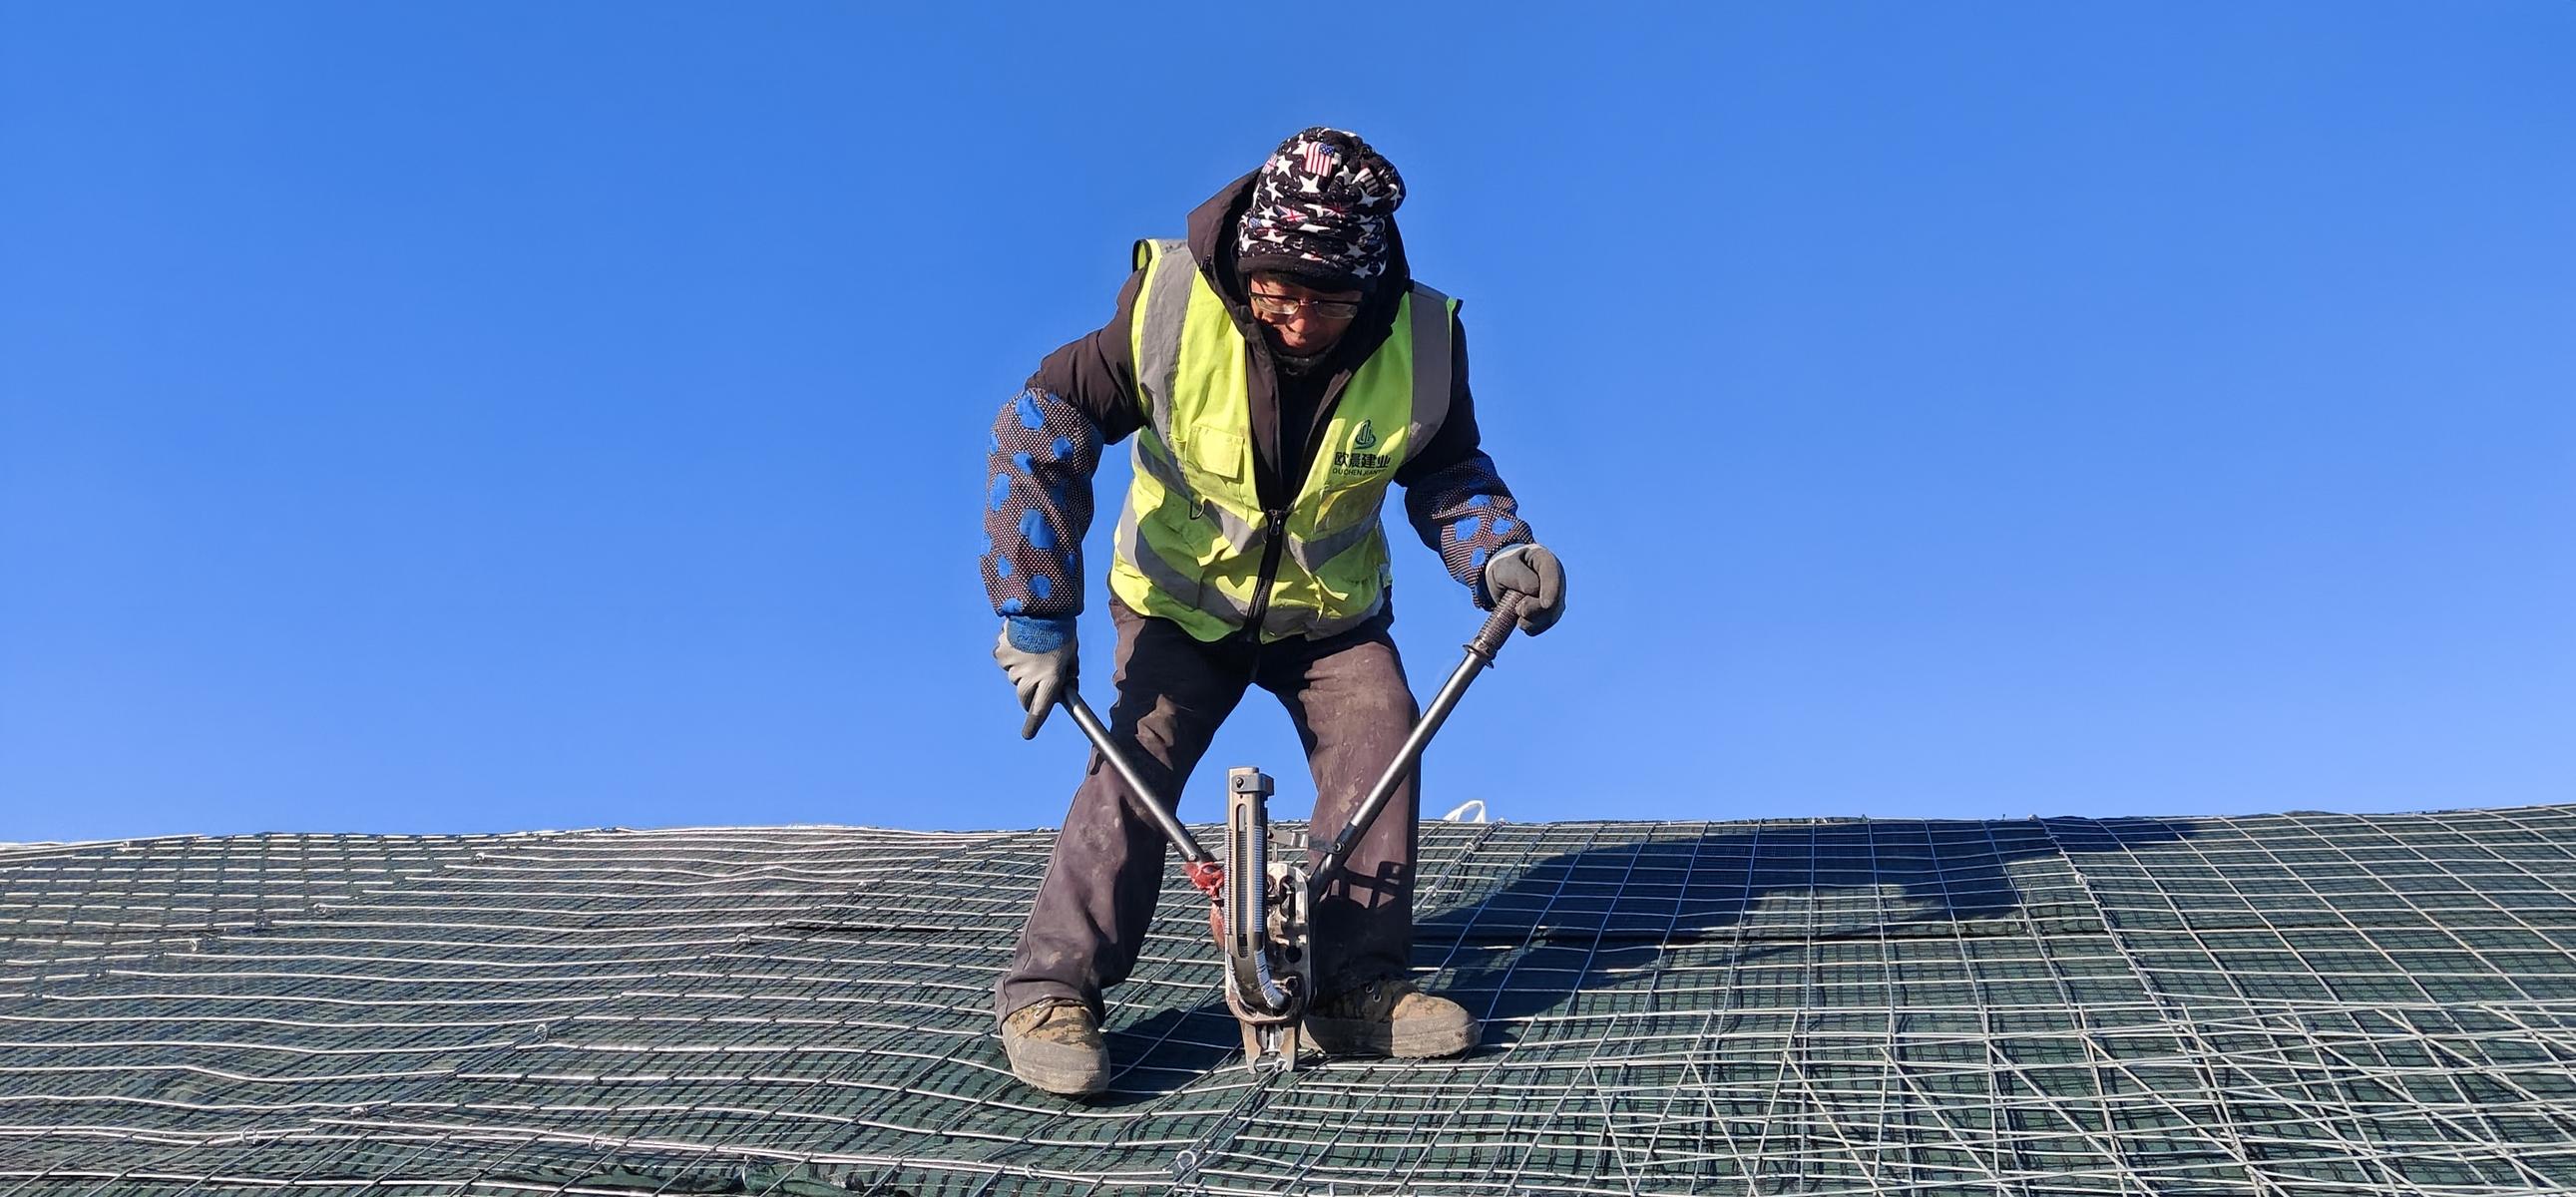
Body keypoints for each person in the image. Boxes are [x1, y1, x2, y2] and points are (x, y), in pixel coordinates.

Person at [978, 128, 1566, 1096]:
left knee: (1381, 729)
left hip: (1328, 618)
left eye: (1325, 301)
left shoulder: (1421, 342)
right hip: (1177, 604)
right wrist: (1035, 609)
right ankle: (1051, 990)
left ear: (1368, 287)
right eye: (1276, 291)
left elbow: (1450, 473)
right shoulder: (1169, 305)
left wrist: (1497, 549)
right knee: (1134, 761)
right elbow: (1040, 424)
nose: (1295, 320)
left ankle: (1353, 986)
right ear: (1247, 263)